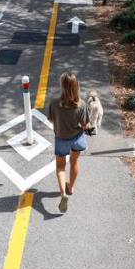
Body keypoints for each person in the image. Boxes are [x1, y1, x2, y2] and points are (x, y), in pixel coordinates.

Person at [47, 72, 89, 213]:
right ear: (76, 86)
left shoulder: (54, 103)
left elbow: (51, 119)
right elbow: (85, 125)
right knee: (74, 162)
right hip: (77, 138)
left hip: (61, 138)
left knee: (60, 167)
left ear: (62, 87)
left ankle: (63, 194)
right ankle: (70, 188)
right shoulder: (81, 105)